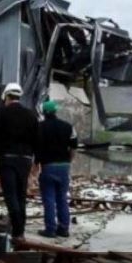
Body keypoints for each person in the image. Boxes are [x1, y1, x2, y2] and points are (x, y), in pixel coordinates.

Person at [0, 83, 39, 241]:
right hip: (25, 160)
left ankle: (16, 231)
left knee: (10, 195)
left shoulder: (1, 113)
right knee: (21, 194)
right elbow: (37, 138)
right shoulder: (31, 115)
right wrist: (38, 161)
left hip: (6, 158)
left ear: (6, 97)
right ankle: (20, 229)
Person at [35, 100, 78, 238]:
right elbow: (73, 147)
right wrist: (69, 161)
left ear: (43, 112)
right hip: (64, 166)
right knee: (62, 198)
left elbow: (36, 148)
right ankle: (64, 228)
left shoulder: (40, 127)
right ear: (55, 111)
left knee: (49, 199)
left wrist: (36, 164)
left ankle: (50, 229)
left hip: (48, 166)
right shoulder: (68, 127)